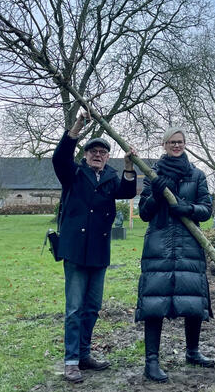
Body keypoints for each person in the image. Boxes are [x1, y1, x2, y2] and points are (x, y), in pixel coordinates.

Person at [52, 109, 137, 383]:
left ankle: (85, 354)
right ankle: (71, 361)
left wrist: (128, 165)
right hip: (75, 252)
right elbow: (60, 157)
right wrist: (77, 125)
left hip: (99, 253)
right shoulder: (73, 174)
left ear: (107, 156)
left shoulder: (112, 179)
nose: (97, 155)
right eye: (93, 151)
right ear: (85, 155)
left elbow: (128, 190)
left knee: (92, 308)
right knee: (74, 309)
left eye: (102, 152)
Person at [135, 127, 214, 383]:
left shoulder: (197, 175)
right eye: (172, 142)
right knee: (154, 301)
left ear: (185, 144)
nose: (176, 146)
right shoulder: (152, 174)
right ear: (164, 144)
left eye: (180, 142)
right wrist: (157, 194)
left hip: (189, 244)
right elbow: (144, 213)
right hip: (159, 244)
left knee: (191, 299)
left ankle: (192, 352)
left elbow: (207, 210)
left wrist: (188, 208)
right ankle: (152, 361)